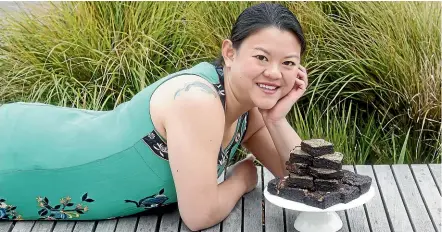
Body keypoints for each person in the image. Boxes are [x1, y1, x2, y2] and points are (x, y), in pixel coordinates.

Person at [0, 2, 308, 231]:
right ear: (230, 53)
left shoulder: (244, 109)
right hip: (23, 158)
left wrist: (277, 119)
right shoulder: (197, 100)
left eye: (288, 63)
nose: (274, 73)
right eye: (261, 57)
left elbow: (306, 182)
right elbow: (199, 215)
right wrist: (241, 180)